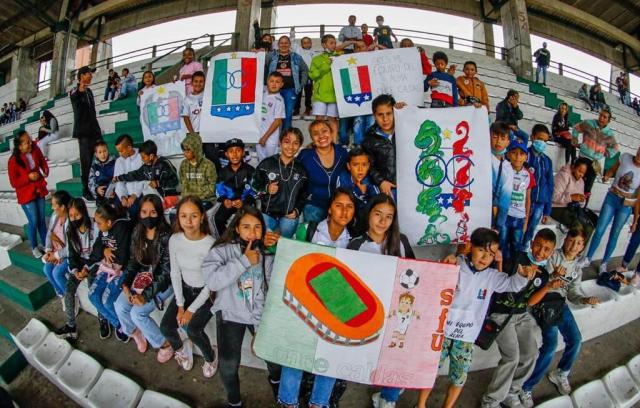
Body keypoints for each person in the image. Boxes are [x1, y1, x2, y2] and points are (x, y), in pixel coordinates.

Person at [416, 228, 536, 408]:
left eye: (490, 254)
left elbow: (512, 284)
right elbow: (435, 281)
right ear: (471, 246)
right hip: (442, 332)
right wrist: (449, 260)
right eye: (481, 250)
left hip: (466, 338)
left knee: (459, 378)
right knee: (429, 372)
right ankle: (421, 405)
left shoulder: (492, 277)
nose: (484, 257)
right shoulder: (455, 265)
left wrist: (522, 276)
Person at [279, 188, 358, 408]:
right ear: (330, 208)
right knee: (295, 354)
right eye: (339, 205)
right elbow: (290, 260)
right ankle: (288, 402)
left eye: (349, 207)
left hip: (335, 309)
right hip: (304, 301)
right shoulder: (308, 230)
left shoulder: (353, 243)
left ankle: (319, 403)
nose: (344, 211)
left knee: (330, 357)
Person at [202, 205, 282, 407]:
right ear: (237, 228)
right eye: (246, 227)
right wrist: (243, 261)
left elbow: (267, 291)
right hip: (230, 314)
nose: (252, 232)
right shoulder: (222, 251)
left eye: (257, 227)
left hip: (257, 314)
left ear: (264, 231)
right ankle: (235, 402)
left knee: (273, 361)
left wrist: (258, 327)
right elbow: (213, 281)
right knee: (228, 366)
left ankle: (277, 387)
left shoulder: (267, 255)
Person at [346, 194, 416, 408]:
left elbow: (417, 273)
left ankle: (388, 399)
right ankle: (389, 390)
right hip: (369, 313)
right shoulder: (356, 244)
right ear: (368, 215)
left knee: (396, 355)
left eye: (388, 216)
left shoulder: (400, 241)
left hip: (397, 311)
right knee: (379, 358)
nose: (382, 221)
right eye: (378, 214)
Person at [521, 228, 599, 406]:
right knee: (551, 345)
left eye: (579, 243)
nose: (574, 245)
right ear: (565, 241)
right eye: (571, 240)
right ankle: (526, 386)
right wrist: (553, 275)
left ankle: (561, 372)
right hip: (544, 302)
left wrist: (584, 299)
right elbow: (541, 273)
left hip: (560, 304)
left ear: (582, 247)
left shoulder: (577, 268)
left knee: (576, 339)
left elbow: (572, 293)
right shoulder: (552, 255)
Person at [480, 228, 557, 408]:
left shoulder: (544, 274)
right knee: (512, 357)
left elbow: (530, 302)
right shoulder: (517, 258)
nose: (540, 251)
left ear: (552, 252)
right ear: (532, 243)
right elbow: (499, 281)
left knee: (531, 353)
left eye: (546, 249)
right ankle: (490, 401)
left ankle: (512, 392)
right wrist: (499, 262)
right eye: (538, 245)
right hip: (501, 313)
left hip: (521, 315)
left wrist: (548, 287)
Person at [160, 196, 218, 377]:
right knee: (166, 327)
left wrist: (190, 310)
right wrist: (179, 305)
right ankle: (181, 348)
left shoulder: (210, 244)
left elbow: (212, 283)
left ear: (202, 217)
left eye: (194, 216)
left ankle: (211, 357)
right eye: (184, 216)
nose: (189, 221)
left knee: (193, 329)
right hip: (186, 288)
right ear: (178, 217)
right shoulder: (175, 240)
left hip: (207, 293)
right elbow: (175, 273)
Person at [114, 195, 174, 362]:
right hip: (142, 278)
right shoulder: (137, 231)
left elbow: (165, 273)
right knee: (120, 306)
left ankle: (164, 343)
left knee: (137, 313)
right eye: (144, 212)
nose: (148, 216)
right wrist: (126, 283)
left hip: (162, 282)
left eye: (153, 212)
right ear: (139, 213)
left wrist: (145, 295)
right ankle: (136, 333)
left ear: (160, 213)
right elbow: (134, 261)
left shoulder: (167, 235)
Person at [584, 147, 640, 274]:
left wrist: (635, 220)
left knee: (614, 234)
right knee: (600, 229)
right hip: (612, 198)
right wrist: (607, 175)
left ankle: (604, 263)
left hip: (625, 205)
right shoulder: (625, 157)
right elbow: (613, 170)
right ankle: (588, 258)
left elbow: (638, 198)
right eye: (639, 151)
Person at [86, 203, 132, 343]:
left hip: (123, 269)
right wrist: (104, 250)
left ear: (109, 222)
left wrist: (106, 252)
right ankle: (119, 324)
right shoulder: (103, 230)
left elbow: (123, 256)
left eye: (99, 223)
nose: (97, 227)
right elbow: (96, 249)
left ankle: (128, 328)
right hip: (108, 267)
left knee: (107, 300)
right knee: (93, 295)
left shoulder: (122, 227)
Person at [54, 198, 98, 340]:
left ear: (84, 213)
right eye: (71, 216)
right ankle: (71, 326)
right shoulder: (70, 230)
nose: (74, 219)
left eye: (77, 215)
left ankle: (103, 319)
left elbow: (98, 252)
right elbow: (72, 255)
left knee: (93, 290)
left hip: (95, 262)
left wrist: (86, 268)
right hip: (79, 264)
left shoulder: (94, 225)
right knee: (68, 290)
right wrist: (75, 271)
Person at [253, 128, 307, 238]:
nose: (291, 147)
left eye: (295, 143)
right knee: (263, 236)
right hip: (267, 214)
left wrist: (297, 210)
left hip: (288, 216)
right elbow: (254, 184)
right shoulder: (267, 164)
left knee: (284, 240)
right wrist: (266, 188)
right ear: (280, 142)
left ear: (300, 145)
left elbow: (304, 194)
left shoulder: (301, 170)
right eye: (287, 142)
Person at [297, 120, 348, 222]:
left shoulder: (342, 153)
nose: (321, 136)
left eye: (324, 131)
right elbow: (294, 177)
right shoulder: (306, 155)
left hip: (338, 203)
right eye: (315, 134)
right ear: (312, 139)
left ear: (331, 132)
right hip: (314, 204)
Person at [8, 131, 48, 257]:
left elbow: (42, 160)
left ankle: (46, 245)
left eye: (29, 140)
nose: (30, 143)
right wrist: (28, 177)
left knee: (42, 219)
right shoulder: (13, 161)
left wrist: (45, 169)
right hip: (26, 195)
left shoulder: (35, 148)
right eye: (26, 142)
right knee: (34, 221)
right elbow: (14, 182)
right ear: (19, 146)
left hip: (39, 189)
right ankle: (35, 247)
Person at [362, 94, 407, 200]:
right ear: (374, 116)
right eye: (380, 115)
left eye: (389, 113)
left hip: (408, 186)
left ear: (394, 112)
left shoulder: (405, 128)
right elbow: (369, 165)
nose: (385, 119)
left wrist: (407, 112)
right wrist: (381, 181)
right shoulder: (370, 138)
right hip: (386, 188)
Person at [113, 139, 180, 209]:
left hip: (170, 198)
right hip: (159, 199)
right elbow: (135, 175)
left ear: (151, 156)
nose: (142, 160)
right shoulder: (146, 167)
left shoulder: (164, 164)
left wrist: (158, 183)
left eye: (143, 157)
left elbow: (175, 181)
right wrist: (118, 178)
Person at [70, 65, 102, 202]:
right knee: (86, 162)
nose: (91, 76)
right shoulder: (74, 91)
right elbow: (76, 96)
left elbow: (93, 113)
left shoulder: (89, 92)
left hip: (94, 131)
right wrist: (80, 87)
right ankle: (86, 189)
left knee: (99, 158)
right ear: (82, 75)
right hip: (83, 134)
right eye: (88, 73)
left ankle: (97, 185)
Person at [500, 137, 535, 261]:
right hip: (504, 215)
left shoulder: (528, 175)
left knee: (516, 245)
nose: (517, 157)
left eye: (521, 154)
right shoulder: (504, 170)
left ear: (526, 157)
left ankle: (513, 269)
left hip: (519, 217)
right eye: (514, 153)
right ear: (508, 154)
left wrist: (526, 221)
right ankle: (501, 269)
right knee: (502, 242)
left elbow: (528, 199)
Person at [571, 108, 618, 197]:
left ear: (608, 121)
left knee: (588, 187)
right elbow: (576, 128)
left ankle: (581, 205)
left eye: (605, 117)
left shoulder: (609, 134)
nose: (601, 118)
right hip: (583, 157)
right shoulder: (589, 123)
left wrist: (604, 152)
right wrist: (575, 140)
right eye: (601, 115)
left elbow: (615, 148)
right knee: (576, 179)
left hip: (595, 162)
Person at [265, 36, 309, 131]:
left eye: (286, 43)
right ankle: (273, 138)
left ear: (289, 44)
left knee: (288, 114)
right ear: (278, 44)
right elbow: (264, 67)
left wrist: (301, 84)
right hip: (274, 90)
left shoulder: (296, 57)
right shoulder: (271, 56)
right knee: (272, 114)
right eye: (281, 43)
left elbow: (305, 70)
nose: (284, 45)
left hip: (291, 90)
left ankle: (285, 138)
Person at [214, 139, 256, 235]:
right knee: (218, 219)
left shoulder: (250, 170)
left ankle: (243, 241)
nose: (235, 154)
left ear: (242, 153)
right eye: (231, 151)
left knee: (247, 221)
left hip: (246, 202)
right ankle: (226, 239)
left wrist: (244, 202)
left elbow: (256, 191)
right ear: (226, 154)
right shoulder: (222, 172)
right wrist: (225, 200)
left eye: (238, 150)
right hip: (229, 202)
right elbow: (219, 189)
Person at [522, 124, 554, 248]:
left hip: (540, 203)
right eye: (540, 139)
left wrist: (547, 210)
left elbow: (550, 185)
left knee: (531, 228)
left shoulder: (547, 160)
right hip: (524, 201)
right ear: (532, 137)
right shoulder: (525, 155)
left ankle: (524, 247)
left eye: (545, 141)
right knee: (520, 227)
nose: (542, 143)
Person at [336, 147, 380, 234]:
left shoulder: (371, 179)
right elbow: (339, 201)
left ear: (368, 166)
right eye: (355, 165)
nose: (360, 170)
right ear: (349, 166)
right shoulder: (343, 178)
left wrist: (364, 190)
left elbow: (378, 202)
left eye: (364, 165)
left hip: (368, 220)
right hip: (349, 219)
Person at [309, 34, 342, 139]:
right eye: (331, 43)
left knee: (333, 119)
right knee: (319, 119)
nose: (334, 45)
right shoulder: (317, 59)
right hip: (320, 95)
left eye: (335, 43)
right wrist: (327, 64)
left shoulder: (341, 58)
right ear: (324, 45)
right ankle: (318, 141)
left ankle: (333, 142)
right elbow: (313, 75)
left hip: (335, 94)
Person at [550, 158, 593, 237]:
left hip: (571, 209)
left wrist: (582, 200)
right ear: (573, 167)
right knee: (577, 226)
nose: (581, 175)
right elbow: (553, 196)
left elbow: (581, 205)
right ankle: (566, 248)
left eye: (583, 173)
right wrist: (571, 197)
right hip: (555, 207)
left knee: (589, 228)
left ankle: (576, 249)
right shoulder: (563, 175)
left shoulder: (581, 182)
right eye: (579, 171)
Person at [42, 190, 72, 302]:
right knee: (46, 269)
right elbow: (49, 233)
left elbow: (71, 248)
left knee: (57, 272)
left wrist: (56, 255)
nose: (52, 208)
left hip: (69, 254)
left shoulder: (71, 220)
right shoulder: (55, 216)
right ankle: (63, 294)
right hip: (56, 252)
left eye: (54, 205)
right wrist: (49, 251)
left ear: (63, 207)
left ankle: (71, 299)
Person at [179, 133, 217, 210]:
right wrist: (189, 197)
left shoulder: (208, 165)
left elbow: (212, 188)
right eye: (184, 150)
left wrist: (193, 194)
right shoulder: (184, 164)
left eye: (188, 150)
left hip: (207, 200)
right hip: (188, 199)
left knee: (194, 211)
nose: (185, 153)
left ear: (196, 149)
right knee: (174, 213)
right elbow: (183, 185)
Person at [113, 134, 145, 218]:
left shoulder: (141, 156)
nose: (119, 154)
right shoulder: (119, 161)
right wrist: (122, 196)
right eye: (118, 151)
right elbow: (118, 181)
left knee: (134, 210)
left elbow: (144, 178)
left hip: (139, 193)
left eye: (121, 151)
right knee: (115, 210)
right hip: (124, 194)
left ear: (129, 148)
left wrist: (135, 195)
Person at [290, 28, 319, 118]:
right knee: (298, 92)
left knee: (308, 93)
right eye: (304, 42)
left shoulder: (314, 53)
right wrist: (292, 33)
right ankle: (297, 109)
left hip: (309, 75)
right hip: (299, 75)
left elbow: (316, 65)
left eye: (308, 42)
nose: (306, 44)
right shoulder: (298, 50)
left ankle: (308, 108)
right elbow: (292, 41)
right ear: (301, 44)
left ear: (311, 43)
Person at [491, 122, 514, 230]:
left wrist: (498, 225)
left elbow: (504, 202)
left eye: (503, 138)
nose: (498, 141)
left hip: (489, 212)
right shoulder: (479, 155)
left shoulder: (507, 168)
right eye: (495, 137)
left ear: (508, 142)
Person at [258, 72, 286, 162]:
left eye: (277, 82)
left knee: (271, 163)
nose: (274, 84)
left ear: (281, 84)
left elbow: (278, 121)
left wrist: (265, 137)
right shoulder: (262, 94)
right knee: (261, 162)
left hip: (270, 139)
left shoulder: (279, 100)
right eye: (272, 81)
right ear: (267, 82)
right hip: (259, 135)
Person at [88, 140, 116, 206]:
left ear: (108, 150)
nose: (103, 154)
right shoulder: (94, 166)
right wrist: (96, 189)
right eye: (100, 152)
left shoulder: (114, 162)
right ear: (96, 154)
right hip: (101, 194)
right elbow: (90, 182)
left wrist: (114, 190)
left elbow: (118, 178)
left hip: (113, 192)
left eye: (105, 151)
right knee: (102, 208)